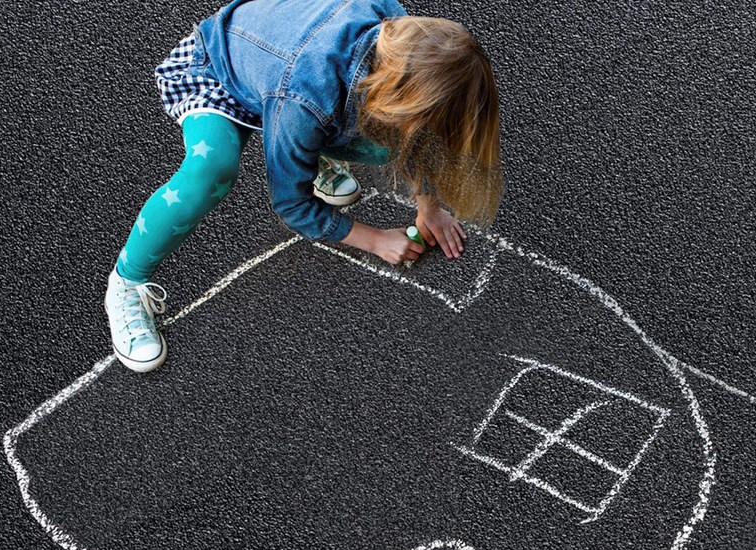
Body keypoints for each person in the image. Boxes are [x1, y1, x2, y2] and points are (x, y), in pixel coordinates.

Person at [104, 0, 503, 372]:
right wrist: (375, 240)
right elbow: (291, 205)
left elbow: (423, 134)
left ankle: (310, 154)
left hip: (285, 75)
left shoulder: (406, 36)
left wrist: (429, 206)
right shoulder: (305, 97)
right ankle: (127, 281)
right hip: (215, 70)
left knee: (383, 138)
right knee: (211, 170)